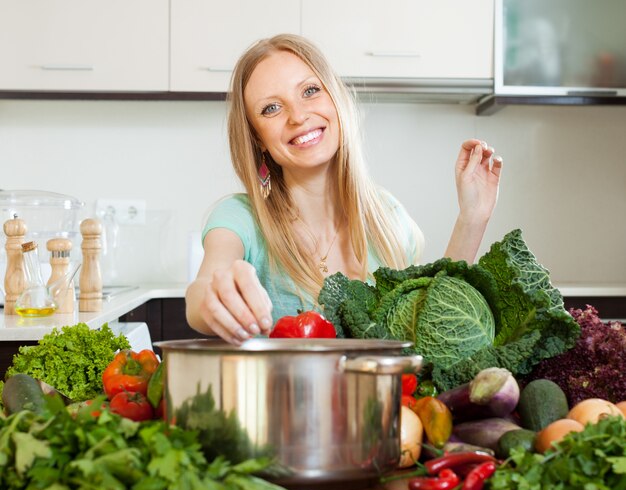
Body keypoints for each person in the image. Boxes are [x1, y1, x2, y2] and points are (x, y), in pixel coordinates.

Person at [186, 34, 503, 345]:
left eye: (310, 91)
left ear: (335, 99)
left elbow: (430, 326)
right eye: (271, 108)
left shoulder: (388, 218)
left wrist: (472, 218)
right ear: (257, 138)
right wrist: (210, 297)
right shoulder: (240, 219)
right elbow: (204, 288)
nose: (298, 116)